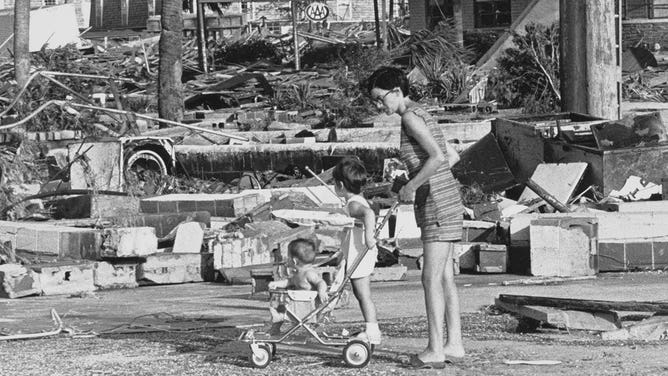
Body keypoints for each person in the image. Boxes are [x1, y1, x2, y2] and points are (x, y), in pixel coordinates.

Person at [366, 66, 465, 368]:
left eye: (380, 99)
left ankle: (435, 349)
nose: (378, 106)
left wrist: (413, 184)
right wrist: (407, 182)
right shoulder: (422, 113)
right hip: (445, 198)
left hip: (436, 203)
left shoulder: (410, 117)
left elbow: (437, 157)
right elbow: (452, 156)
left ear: (396, 92)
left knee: (430, 277)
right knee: (445, 276)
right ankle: (454, 344)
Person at [332, 156, 382, 345]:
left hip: (360, 253)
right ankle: (371, 328)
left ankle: (373, 330)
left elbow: (368, 214)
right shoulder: (356, 200)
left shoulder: (353, 204)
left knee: (363, 294)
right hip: (356, 253)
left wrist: (369, 237)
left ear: (341, 185)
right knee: (360, 293)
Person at [267, 238, 329, 334]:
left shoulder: (309, 273)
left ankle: (279, 318)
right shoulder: (298, 274)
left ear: (294, 261)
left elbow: (321, 282)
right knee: (280, 306)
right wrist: (276, 284)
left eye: (288, 256)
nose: (287, 259)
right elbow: (288, 282)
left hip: (308, 309)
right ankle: (275, 327)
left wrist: (321, 291)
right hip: (297, 305)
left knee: (282, 307)